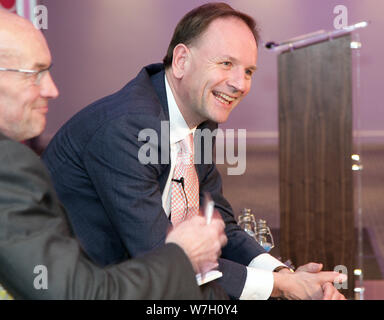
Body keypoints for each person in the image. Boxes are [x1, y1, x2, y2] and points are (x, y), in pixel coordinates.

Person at [42, 3, 346, 300]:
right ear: (182, 60)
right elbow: (164, 255)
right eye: (226, 63)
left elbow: (220, 225)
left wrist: (285, 276)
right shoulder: (126, 129)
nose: (240, 83)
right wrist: (279, 287)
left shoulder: (199, 120)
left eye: (249, 71)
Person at [0, 9, 228, 300]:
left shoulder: (202, 128)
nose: (52, 89)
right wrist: (181, 254)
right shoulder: (9, 165)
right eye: (34, 74)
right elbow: (74, 294)